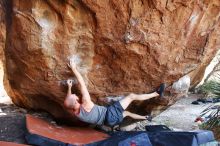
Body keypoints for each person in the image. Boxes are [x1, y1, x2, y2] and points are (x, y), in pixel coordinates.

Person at [64, 59, 166, 127]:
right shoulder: (86, 104)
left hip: (109, 123)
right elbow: (82, 83)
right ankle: (156, 94)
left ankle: (146, 117)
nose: (74, 94)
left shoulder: (75, 112)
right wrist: (74, 68)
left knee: (126, 113)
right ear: (77, 100)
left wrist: (69, 87)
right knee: (131, 96)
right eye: (74, 95)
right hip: (110, 114)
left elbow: (68, 102)